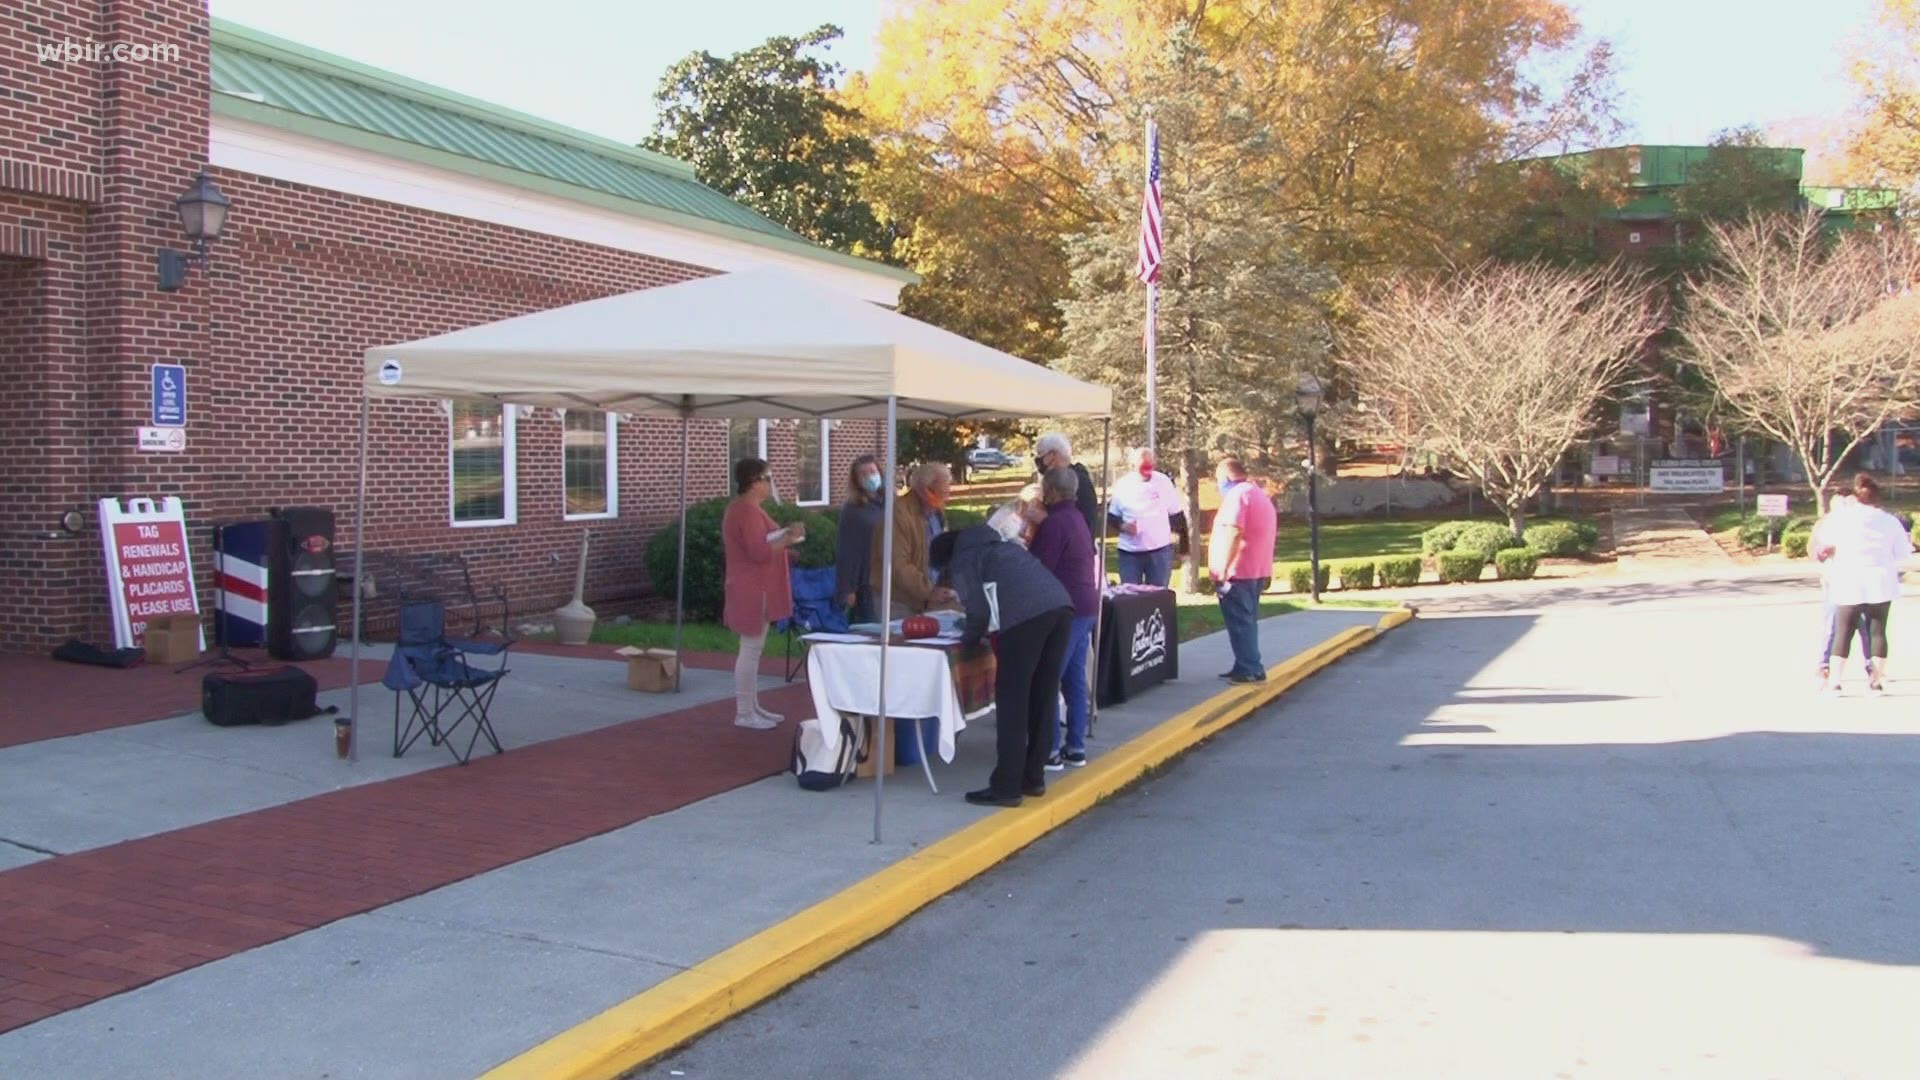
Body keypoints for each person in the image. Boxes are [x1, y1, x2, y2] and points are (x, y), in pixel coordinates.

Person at [931, 525, 1074, 808]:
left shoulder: (964, 558)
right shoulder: (1003, 547)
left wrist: (967, 639)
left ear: (946, 558)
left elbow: (979, 611)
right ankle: (1033, 778)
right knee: (1043, 696)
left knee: (1012, 701)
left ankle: (1006, 786)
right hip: (1061, 607)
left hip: (1024, 619)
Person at [1810, 473, 1913, 694]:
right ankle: (1875, 682)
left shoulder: (1841, 519)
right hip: (1880, 580)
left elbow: (1824, 544)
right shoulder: (1888, 520)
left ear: (1855, 497)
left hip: (1848, 580)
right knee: (1878, 631)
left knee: (1843, 631)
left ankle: (1836, 682)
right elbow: (1903, 553)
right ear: (1877, 497)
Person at [721, 457, 801, 729]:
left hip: (752, 585)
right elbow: (758, 551)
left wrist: (785, 539)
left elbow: (764, 541)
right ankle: (744, 711)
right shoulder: (747, 511)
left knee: (753, 648)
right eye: (767, 479)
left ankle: (751, 705)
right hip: (753, 588)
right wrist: (787, 540)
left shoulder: (743, 509)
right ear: (754, 482)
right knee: (751, 649)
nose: (770, 485)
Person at [1028, 468, 1099, 769]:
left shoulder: (1055, 523)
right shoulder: (1077, 518)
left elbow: (1040, 566)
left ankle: (1050, 749)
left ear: (1052, 492)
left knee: (1048, 677)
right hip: (1085, 604)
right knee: (1073, 678)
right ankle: (1076, 746)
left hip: (1064, 607)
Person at [1208, 457, 1280, 684]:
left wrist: (1222, 568)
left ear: (1227, 477)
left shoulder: (1237, 496)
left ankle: (1249, 668)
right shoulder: (1258, 494)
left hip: (1238, 571)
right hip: (1256, 569)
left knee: (1239, 622)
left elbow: (1233, 532)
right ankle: (1246, 663)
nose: (1217, 484)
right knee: (1247, 620)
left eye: (1218, 479)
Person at [871, 462, 960, 618]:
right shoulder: (898, 515)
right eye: (942, 491)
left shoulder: (936, 512)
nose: (947, 494)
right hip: (898, 601)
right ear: (925, 490)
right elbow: (898, 564)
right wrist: (928, 591)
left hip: (929, 596)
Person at [1107, 446, 1187, 588]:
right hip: (1129, 553)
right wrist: (1123, 526)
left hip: (1159, 551)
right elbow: (1112, 517)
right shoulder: (1123, 485)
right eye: (1143, 465)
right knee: (1131, 597)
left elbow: (1177, 515)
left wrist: (1184, 547)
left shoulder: (1163, 482)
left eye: (1150, 464)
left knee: (1157, 597)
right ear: (1132, 466)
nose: (1147, 469)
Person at [834, 454, 886, 623]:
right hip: (867, 581)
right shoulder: (853, 510)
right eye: (863, 474)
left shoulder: (888, 502)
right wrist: (848, 588)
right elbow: (847, 550)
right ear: (856, 480)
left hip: (890, 576)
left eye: (872, 471)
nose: (870, 476)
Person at [1034, 432, 1101, 545]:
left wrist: (1045, 520)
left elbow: (1082, 523)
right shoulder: (1057, 480)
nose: (1039, 462)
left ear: (1053, 455)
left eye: (1042, 456)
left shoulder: (1079, 482)